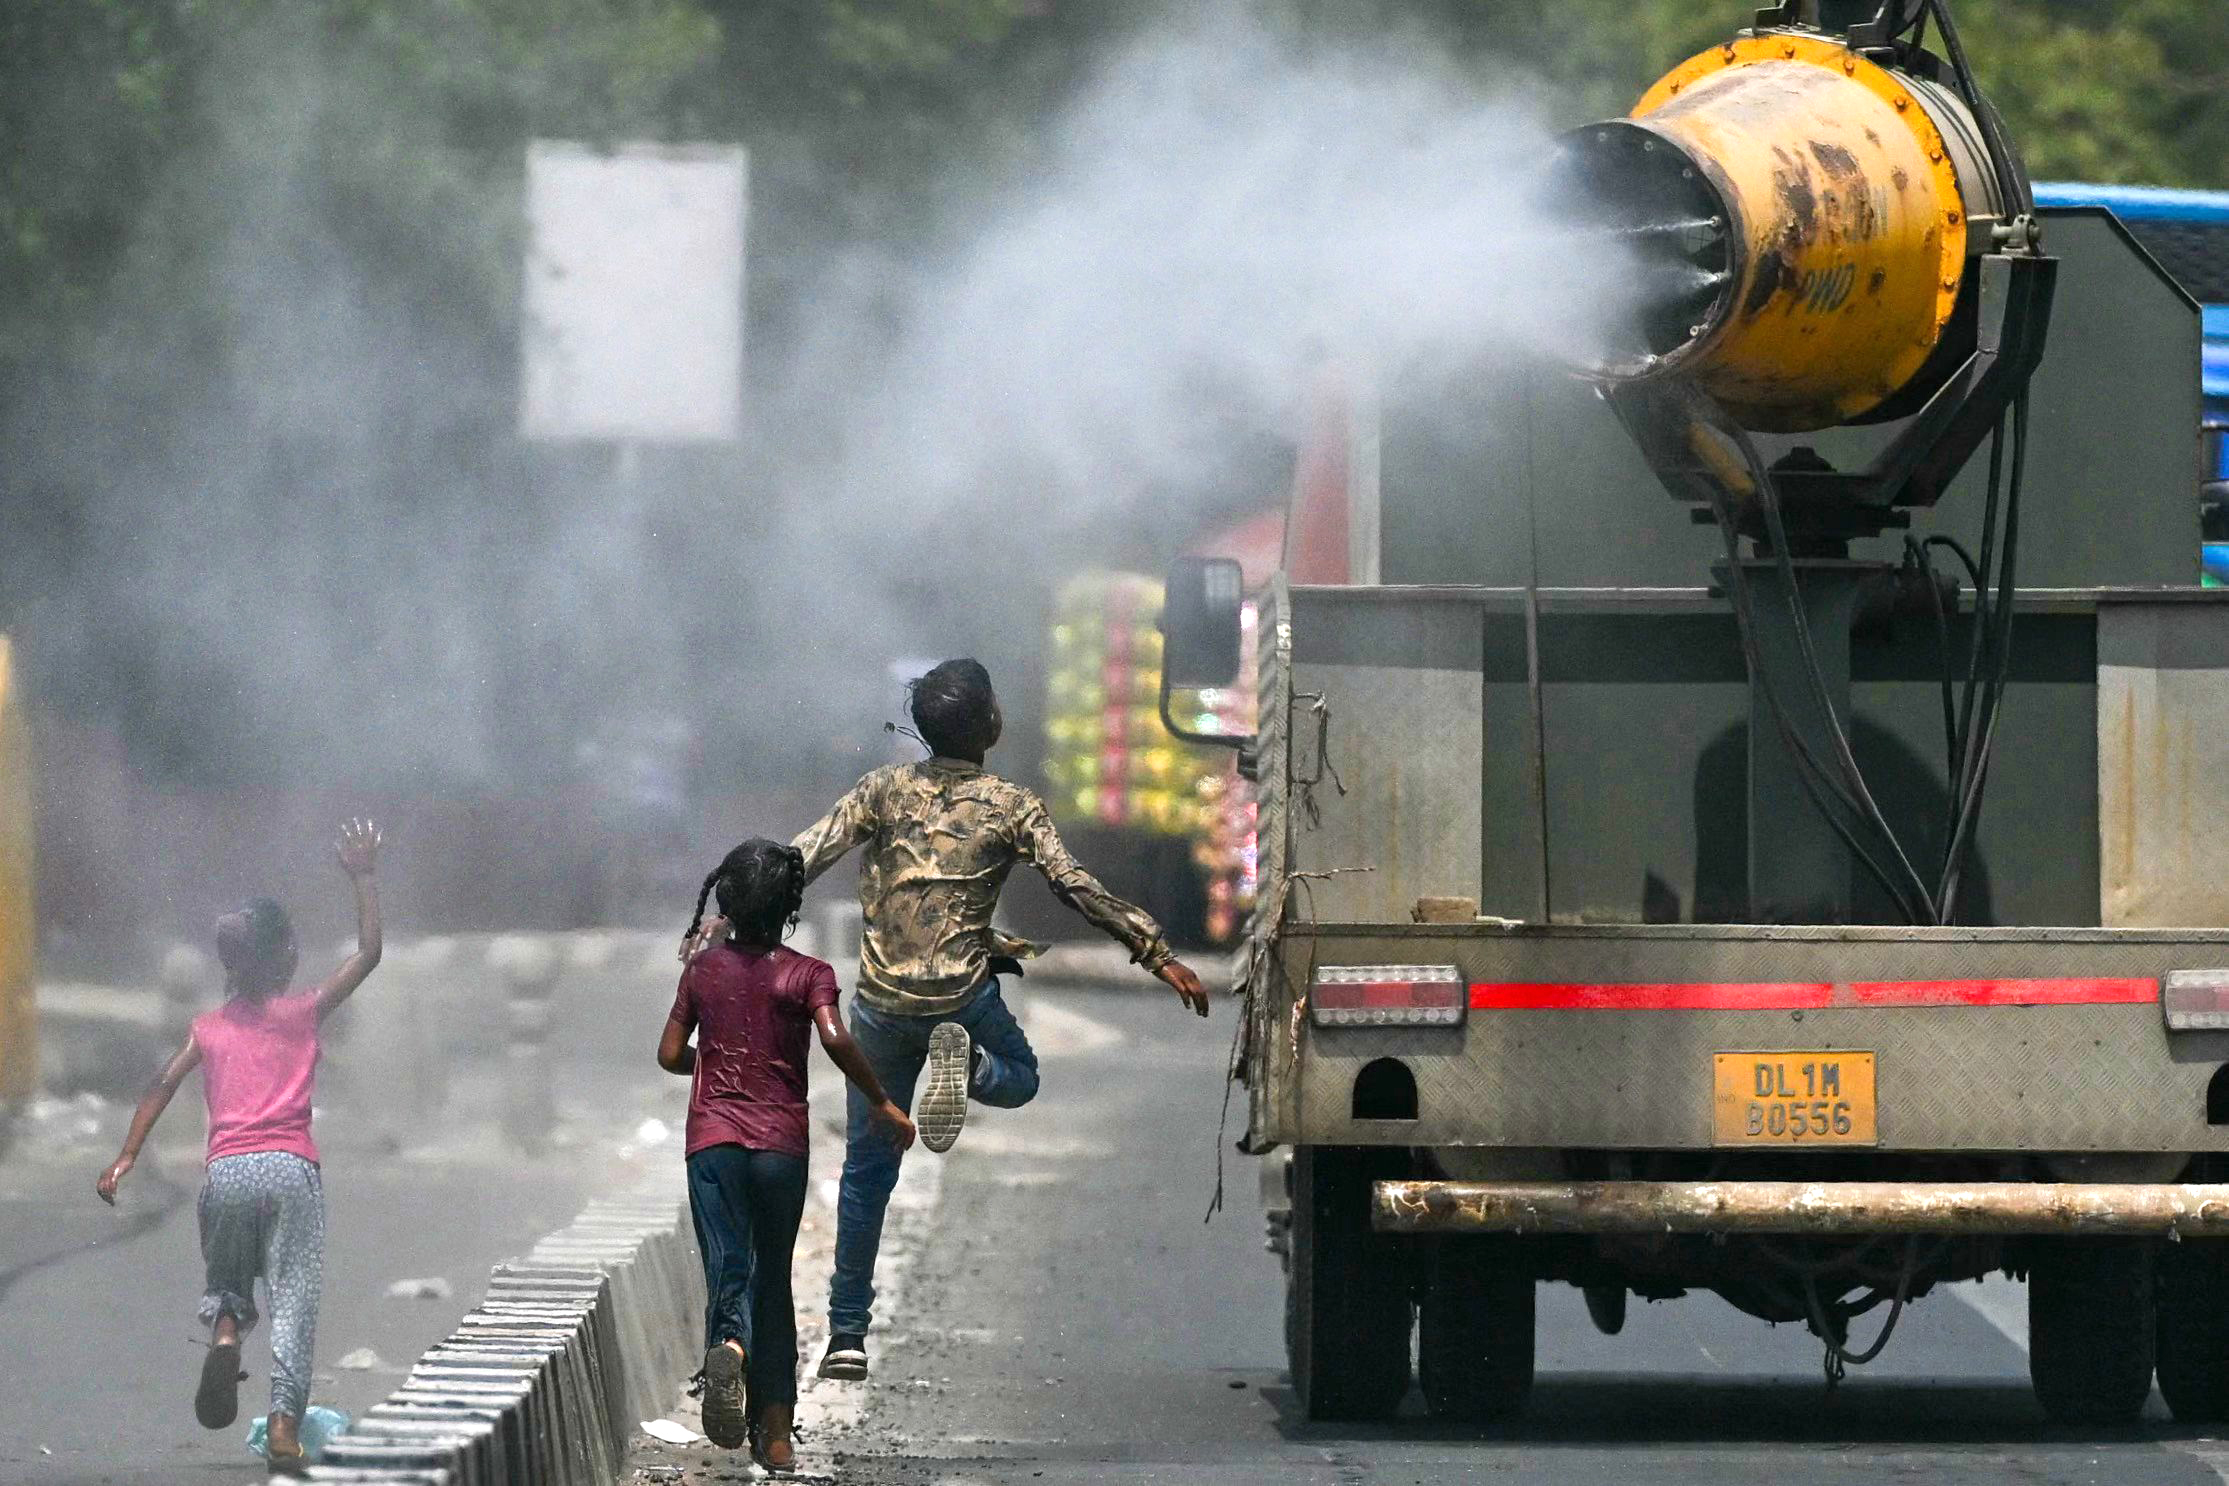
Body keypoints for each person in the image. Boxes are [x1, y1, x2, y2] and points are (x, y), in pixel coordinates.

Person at [789, 657, 1209, 1382]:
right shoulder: (1011, 805)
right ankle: (972, 1069)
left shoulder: (882, 791)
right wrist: (1155, 951)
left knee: (866, 1172)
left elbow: (806, 853)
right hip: (962, 998)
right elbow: (1073, 885)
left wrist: (731, 914)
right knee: (1020, 1076)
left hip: (882, 1008)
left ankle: (847, 1337)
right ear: (991, 726)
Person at [96, 818, 384, 1472]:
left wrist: (127, 1155)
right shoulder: (302, 1012)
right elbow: (368, 954)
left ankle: (225, 1336)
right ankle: (284, 1424)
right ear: (284, 957)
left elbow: (160, 1083)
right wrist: (363, 877)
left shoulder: (206, 1028)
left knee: (229, 1280)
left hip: (225, 1174)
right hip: (289, 1171)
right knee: (294, 1299)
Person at [660, 838, 916, 1470]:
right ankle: (776, 1435)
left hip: (713, 1142)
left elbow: (669, 1055)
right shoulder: (807, 973)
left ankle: (730, 1347)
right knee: (773, 1274)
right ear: (789, 907)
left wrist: (715, 1064)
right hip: (780, 1145)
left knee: (729, 1265)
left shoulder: (703, 970)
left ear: (728, 902)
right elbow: (833, 1036)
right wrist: (881, 1102)